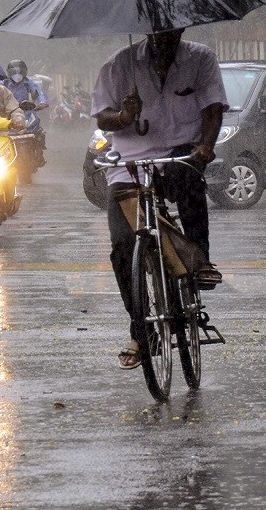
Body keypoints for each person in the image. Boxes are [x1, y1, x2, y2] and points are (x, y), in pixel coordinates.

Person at [92, 28, 227, 370]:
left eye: (170, 33)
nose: (162, 41)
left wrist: (205, 146)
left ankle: (200, 263)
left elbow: (212, 109)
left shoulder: (200, 58)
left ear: (181, 30)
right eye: (156, 34)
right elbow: (103, 117)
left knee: (190, 182)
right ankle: (142, 332)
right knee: (123, 246)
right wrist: (124, 116)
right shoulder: (118, 65)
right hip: (131, 164)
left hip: (179, 156)